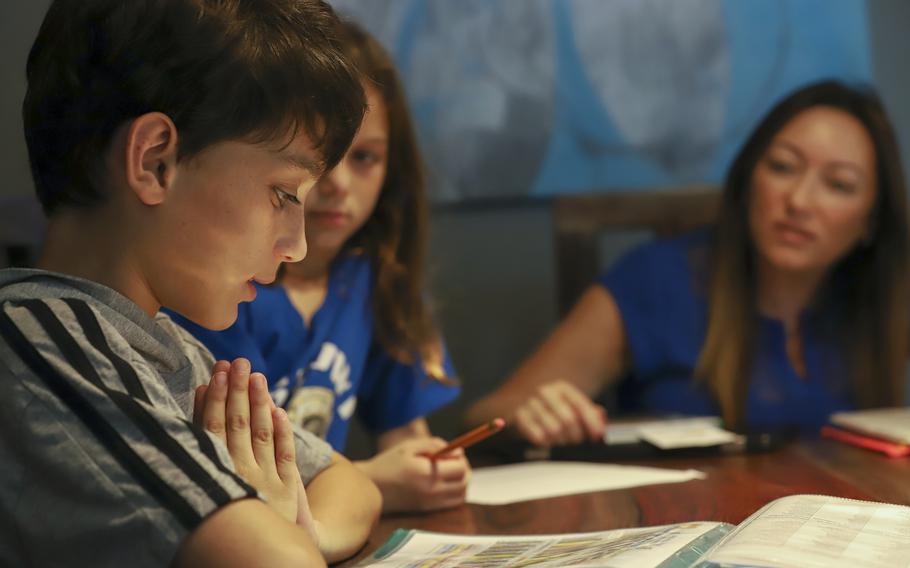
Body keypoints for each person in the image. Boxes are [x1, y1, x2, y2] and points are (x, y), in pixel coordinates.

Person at [0, 1, 382, 566]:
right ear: (156, 161)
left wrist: (303, 529)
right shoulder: (36, 337)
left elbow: (350, 486)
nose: (297, 245)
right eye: (283, 195)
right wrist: (279, 537)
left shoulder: (174, 351)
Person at [466, 80, 910, 446]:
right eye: (781, 166)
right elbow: (489, 417)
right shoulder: (657, 279)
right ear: (748, 178)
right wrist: (535, 418)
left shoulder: (883, 297)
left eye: (838, 185)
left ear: (870, 221)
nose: (798, 201)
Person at [170, 20, 470, 514]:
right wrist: (375, 481)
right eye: (321, 158)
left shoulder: (374, 276)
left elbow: (407, 435)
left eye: (366, 158)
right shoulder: (225, 286)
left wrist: (425, 467)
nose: (337, 185)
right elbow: (228, 474)